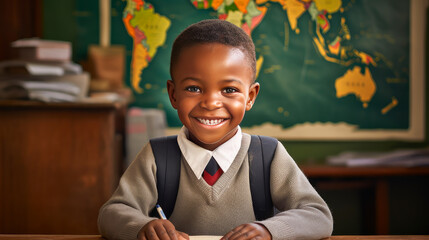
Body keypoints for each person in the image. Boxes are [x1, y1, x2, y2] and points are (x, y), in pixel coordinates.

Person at [98, 19, 333, 240]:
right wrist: (142, 226)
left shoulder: (268, 155)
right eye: (193, 88)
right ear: (173, 94)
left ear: (250, 97)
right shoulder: (157, 156)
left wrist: (269, 230)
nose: (211, 103)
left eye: (229, 90)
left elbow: (318, 215)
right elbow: (112, 213)